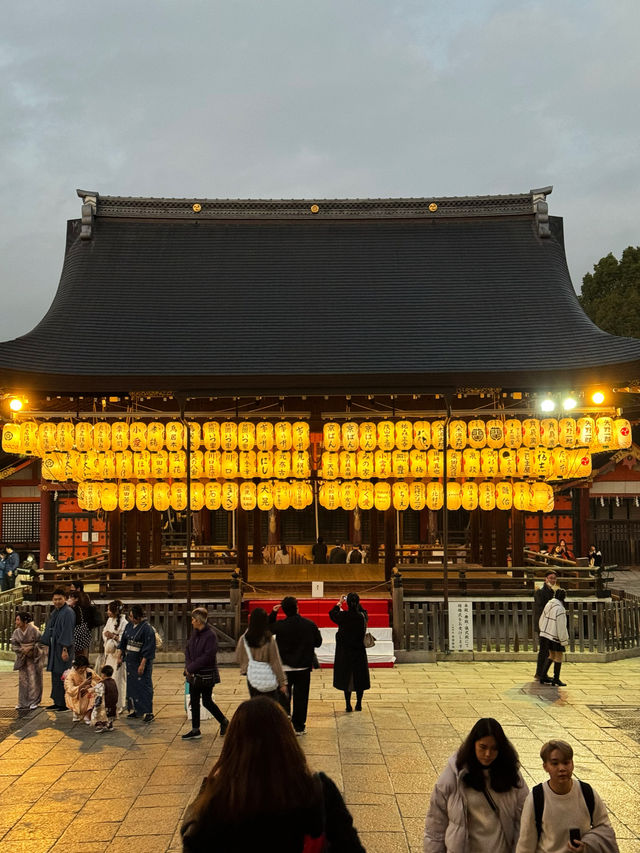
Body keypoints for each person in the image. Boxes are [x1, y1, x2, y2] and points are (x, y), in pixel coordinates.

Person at [180, 696, 365, 852]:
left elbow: (192, 841)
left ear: (232, 745)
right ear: (288, 741)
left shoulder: (217, 801)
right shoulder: (318, 791)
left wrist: (205, 794)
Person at [424, 717, 529, 853]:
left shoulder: (511, 776)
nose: (487, 754)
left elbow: (525, 820)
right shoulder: (453, 776)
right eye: (483, 747)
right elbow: (435, 825)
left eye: (494, 749)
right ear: (473, 744)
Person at [515, 739, 619, 853]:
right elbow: (525, 845)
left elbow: (605, 828)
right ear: (545, 767)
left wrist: (587, 845)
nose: (562, 769)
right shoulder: (536, 798)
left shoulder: (587, 793)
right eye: (555, 763)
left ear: (572, 764)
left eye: (566, 762)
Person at [268, 596, 323, 735]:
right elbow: (318, 642)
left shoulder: (280, 625)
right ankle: (299, 726)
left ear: (284, 610)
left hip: (284, 668)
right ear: (297, 608)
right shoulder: (309, 624)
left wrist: (273, 613)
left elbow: (268, 629)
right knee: (301, 698)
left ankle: (284, 725)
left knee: (284, 697)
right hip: (303, 667)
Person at [182, 607, 230, 740]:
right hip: (193, 674)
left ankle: (224, 721)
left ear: (198, 620)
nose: (191, 622)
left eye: (193, 619)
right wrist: (189, 666)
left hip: (206, 674)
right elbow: (188, 649)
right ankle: (195, 729)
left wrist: (191, 667)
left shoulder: (210, 636)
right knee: (195, 700)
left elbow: (207, 656)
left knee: (207, 701)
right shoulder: (195, 633)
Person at [236, 607, 287, 707]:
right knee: (270, 706)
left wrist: (245, 668)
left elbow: (238, 656)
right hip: (268, 675)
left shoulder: (244, 638)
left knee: (255, 704)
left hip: (253, 675)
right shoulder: (268, 638)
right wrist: (282, 682)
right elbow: (275, 661)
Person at [329, 592, 370, 712]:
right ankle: (359, 703)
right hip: (359, 651)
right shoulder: (362, 616)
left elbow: (332, 614)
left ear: (347, 603)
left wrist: (340, 602)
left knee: (346, 678)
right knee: (359, 678)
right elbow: (364, 612)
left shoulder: (343, 616)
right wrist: (356, 603)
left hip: (345, 651)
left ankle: (348, 704)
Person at [117, 604, 156, 722]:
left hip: (140, 660)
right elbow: (123, 641)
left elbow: (149, 648)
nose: (130, 619)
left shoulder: (147, 629)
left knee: (144, 685)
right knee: (132, 686)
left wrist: (143, 663)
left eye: (132, 617)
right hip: (130, 660)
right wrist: (120, 656)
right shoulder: (129, 626)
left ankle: (148, 711)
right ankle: (136, 710)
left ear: (138, 617)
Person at [40, 587, 75, 710]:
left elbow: (67, 631)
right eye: (55, 599)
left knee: (63, 674)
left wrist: (65, 649)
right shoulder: (56, 612)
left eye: (60, 599)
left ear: (65, 599)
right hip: (55, 646)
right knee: (55, 674)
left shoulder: (68, 612)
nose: (57, 602)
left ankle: (65, 703)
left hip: (63, 647)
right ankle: (57, 701)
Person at [11, 611, 44, 710]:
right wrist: (22, 650)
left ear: (25, 621)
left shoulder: (34, 630)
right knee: (23, 680)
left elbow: (40, 643)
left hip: (33, 657)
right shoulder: (16, 632)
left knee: (34, 679)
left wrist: (32, 649)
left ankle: (34, 701)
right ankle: (23, 702)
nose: (16, 622)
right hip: (23, 657)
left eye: (18, 620)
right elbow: (14, 644)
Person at [538, 589, 569, 686]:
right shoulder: (560, 608)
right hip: (555, 636)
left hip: (546, 634)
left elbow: (542, 618)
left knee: (551, 655)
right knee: (559, 656)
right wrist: (563, 640)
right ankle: (556, 678)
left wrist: (542, 629)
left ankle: (543, 676)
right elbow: (561, 626)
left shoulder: (549, 604)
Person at [102, 600, 128, 712]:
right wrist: (107, 636)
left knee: (118, 679)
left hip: (118, 654)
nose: (107, 612)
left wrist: (114, 636)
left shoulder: (124, 622)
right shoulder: (109, 620)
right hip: (110, 654)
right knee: (109, 678)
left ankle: (119, 704)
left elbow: (124, 639)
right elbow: (104, 632)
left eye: (109, 609)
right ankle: (110, 702)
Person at [533, 570, 558, 681]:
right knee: (544, 650)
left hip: (549, 624)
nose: (552, 580)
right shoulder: (540, 592)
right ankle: (540, 673)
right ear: (546, 579)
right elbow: (540, 609)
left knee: (548, 650)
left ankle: (543, 673)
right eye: (550, 578)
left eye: (554, 578)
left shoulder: (552, 592)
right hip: (543, 624)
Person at [64, 654, 100, 723]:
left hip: (87, 691)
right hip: (76, 694)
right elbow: (70, 690)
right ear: (75, 666)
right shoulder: (70, 675)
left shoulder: (88, 671)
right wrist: (82, 685)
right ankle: (77, 713)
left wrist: (89, 685)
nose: (83, 669)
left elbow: (98, 680)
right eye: (81, 668)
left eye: (84, 667)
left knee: (95, 693)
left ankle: (87, 715)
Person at [93, 664, 119, 732]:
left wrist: (90, 690)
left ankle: (103, 726)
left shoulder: (102, 683)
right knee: (111, 714)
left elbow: (97, 690)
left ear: (103, 674)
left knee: (102, 714)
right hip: (113, 702)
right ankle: (110, 725)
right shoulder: (113, 681)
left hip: (105, 702)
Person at [68, 589, 92, 657]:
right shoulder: (79, 608)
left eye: (71, 598)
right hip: (81, 633)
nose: (69, 599)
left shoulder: (75, 609)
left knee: (77, 654)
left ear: (76, 599)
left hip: (76, 634)